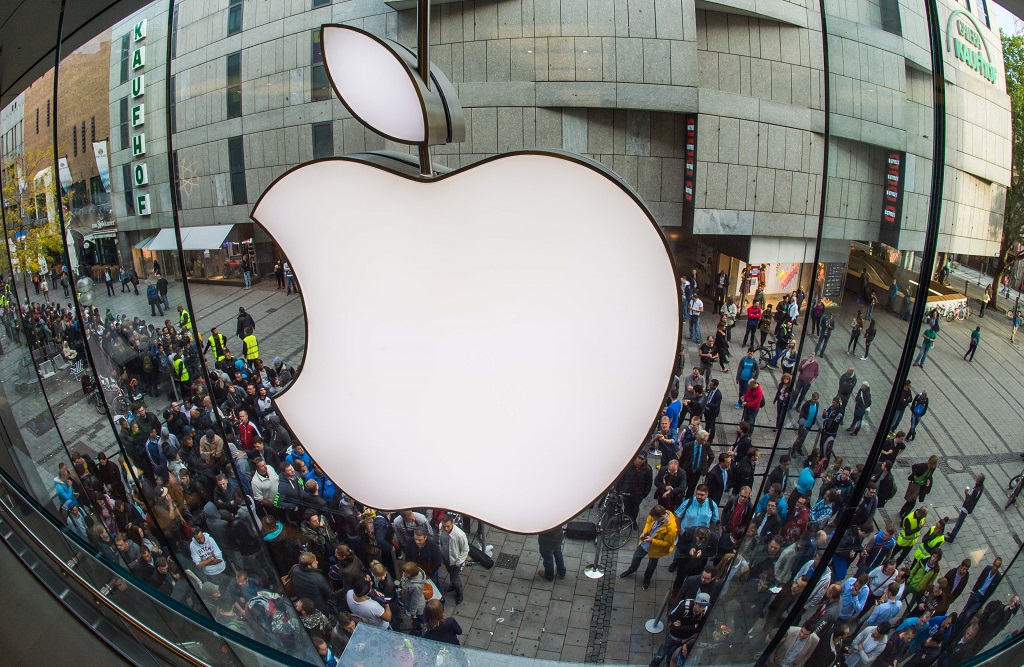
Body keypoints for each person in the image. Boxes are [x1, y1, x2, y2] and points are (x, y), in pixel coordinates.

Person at [620, 505, 677, 590]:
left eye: (655, 519)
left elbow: (667, 543)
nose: (653, 519)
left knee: (651, 565)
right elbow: (648, 522)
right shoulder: (654, 515)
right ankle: (631, 570)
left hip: (656, 548)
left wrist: (652, 541)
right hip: (645, 542)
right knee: (636, 557)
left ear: (662, 517)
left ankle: (647, 580)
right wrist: (645, 532)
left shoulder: (671, 528)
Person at [649, 592, 710, 667]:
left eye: (704, 607)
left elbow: (699, 627)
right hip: (674, 636)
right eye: (700, 606)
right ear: (695, 603)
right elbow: (675, 625)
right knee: (662, 652)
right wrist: (692, 627)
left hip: (686, 638)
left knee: (673, 654)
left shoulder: (705, 611)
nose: (701, 609)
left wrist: (683, 627)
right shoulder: (684, 607)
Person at [961, 557, 1003, 622]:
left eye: (997, 566)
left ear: (999, 567)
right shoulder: (987, 568)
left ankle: (962, 625)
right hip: (976, 593)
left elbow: (992, 591)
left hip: (981, 598)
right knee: (965, 610)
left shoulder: (998, 577)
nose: (995, 568)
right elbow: (980, 579)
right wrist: (973, 590)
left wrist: (984, 600)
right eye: (994, 565)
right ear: (993, 563)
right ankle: (957, 622)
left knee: (968, 614)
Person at [617, 452, 653, 526]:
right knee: (627, 507)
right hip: (626, 491)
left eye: (642, 459)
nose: (639, 460)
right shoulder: (628, 466)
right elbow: (621, 478)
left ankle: (633, 521)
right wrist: (620, 489)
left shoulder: (647, 470)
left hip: (638, 494)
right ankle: (627, 519)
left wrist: (643, 495)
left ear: (645, 460)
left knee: (635, 508)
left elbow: (648, 484)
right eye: (638, 458)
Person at [946, 474, 984, 542]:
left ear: (979, 480)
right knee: (959, 521)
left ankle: (952, 537)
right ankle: (952, 534)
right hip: (968, 506)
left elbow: (970, 500)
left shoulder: (976, 490)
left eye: (977, 477)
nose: (976, 478)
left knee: (959, 522)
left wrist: (966, 493)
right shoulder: (980, 487)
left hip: (967, 507)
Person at [439, 516, 468, 605]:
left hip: (455, 561)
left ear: (452, 523)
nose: (446, 529)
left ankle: (459, 593)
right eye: (444, 526)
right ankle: (454, 584)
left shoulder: (460, 535)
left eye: (448, 526)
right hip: (446, 557)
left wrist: (458, 562)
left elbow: (465, 550)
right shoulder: (441, 527)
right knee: (451, 573)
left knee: (454, 579)